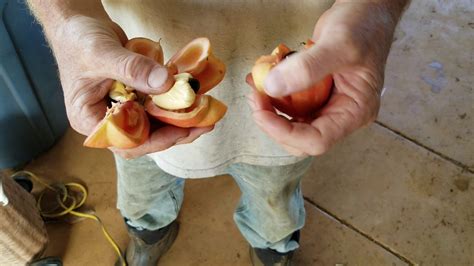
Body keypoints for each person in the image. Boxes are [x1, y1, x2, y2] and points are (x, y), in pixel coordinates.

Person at [27, 0, 409, 265]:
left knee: (274, 199)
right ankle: (149, 232)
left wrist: (376, 10)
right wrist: (64, 19)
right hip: (128, 63)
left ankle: (273, 249)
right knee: (142, 186)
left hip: (301, 87)